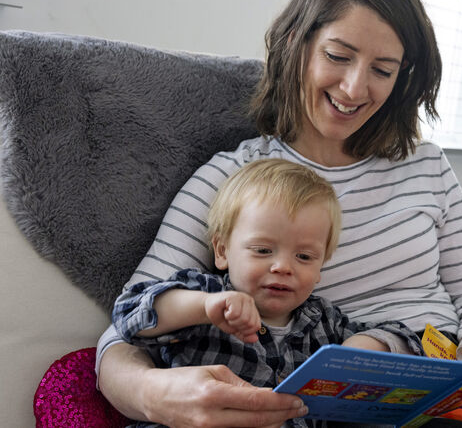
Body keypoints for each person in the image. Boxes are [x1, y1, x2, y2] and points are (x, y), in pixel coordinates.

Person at [97, 0, 462, 427]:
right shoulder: (233, 178)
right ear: (299, 44)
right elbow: (122, 331)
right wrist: (154, 396)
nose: (354, 88)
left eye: (383, 70)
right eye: (338, 56)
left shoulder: (426, 164)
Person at [111, 158, 423, 426]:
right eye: (263, 250)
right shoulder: (207, 292)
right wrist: (204, 307)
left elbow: (400, 336)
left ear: (320, 268)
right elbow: (129, 314)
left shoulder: (325, 321)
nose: (283, 267)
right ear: (221, 251)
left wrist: (367, 346)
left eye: (304, 257)